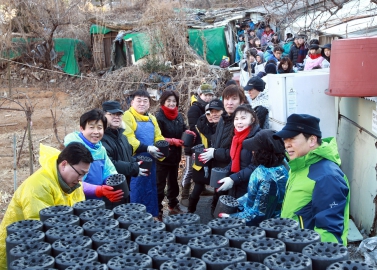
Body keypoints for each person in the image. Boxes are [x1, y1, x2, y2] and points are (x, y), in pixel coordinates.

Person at [0, 142, 93, 268]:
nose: (81, 179)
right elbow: (43, 229)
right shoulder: (38, 187)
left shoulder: (75, 184)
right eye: (80, 173)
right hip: (20, 253)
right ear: (64, 164)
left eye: (84, 174)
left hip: (48, 251)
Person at [274, 114, 350, 245]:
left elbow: (329, 232)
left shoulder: (327, 177)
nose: (287, 144)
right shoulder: (299, 165)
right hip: (294, 248)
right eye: (285, 139)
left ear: (312, 140)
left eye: (292, 138)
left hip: (310, 255)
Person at [219, 129, 288, 226]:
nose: (252, 152)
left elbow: (259, 214)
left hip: (264, 228)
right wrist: (238, 202)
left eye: (254, 149)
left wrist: (232, 218)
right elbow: (255, 194)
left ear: (263, 152)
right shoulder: (271, 165)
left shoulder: (268, 179)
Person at [198, 85, 248, 215]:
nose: (229, 102)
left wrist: (214, 153)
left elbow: (234, 154)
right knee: (217, 202)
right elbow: (216, 140)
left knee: (227, 207)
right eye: (226, 99)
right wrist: (210, 152)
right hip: (219, 169)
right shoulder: (224, 118)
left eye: (234, 99)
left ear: (242, 102)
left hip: (233, 172)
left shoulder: (240, 123)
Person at [122, 89, 165, 218]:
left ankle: (151, 216)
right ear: (131, 102)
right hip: (135, 161)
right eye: (138, 100)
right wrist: (147, 148)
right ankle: (135, 219)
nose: (142, 103)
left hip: (151, 161)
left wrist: (162, 148)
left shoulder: (152, 118)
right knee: (137, 187)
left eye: (145, 101)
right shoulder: (127, 116)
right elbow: (128, 138)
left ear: (149, 104)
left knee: (151, 187)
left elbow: (158, 136)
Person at [64, 109, 122, 202]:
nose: (96, 132)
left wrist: (113, 184)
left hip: (97, 200)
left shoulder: (100, 149)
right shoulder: (73, 149)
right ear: (82, 129)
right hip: (77, 200)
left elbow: (109, 170)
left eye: (99, 128)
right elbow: (73, 182)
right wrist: (98, 190)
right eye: (91, 127)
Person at [156, 90, 195, 218]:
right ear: (163, 102)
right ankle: (158, 210)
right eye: (169, 101)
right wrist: (172, 141)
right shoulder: (159, 117)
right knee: (160, 184)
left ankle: (173, 204)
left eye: (174, 101)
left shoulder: (178, 115)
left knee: (173, 182)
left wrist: (188, 132)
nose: (172, 103)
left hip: (175, 156)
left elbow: (183, 128)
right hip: (162, 156)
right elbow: (157, 137)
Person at [101, 101, 147, 195]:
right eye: (112, 114)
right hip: (110, 188)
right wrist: (133, 168)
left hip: (125, 185)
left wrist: (137, 162)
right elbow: (110, 163)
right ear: (104, 115)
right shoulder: (101, 138)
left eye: (119, 114)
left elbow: (126, 156)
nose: (116, 117)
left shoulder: (123, 136)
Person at [216, 105, 261, 199]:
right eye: (236, 119)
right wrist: (224, 172)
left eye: (243, 118)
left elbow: (255, 166)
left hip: (250, 186)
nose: (239, 122)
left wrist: (234, 179)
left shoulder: (257, 138)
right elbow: (234, 160)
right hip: (237, 183)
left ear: (252, 120)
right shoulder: (236, 137)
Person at [181, 84, 214, 207]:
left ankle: (202, 188)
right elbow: (194, 128)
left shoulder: (209, 108)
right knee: (190, 169)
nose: (208, 98)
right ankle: (184, 195)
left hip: (204, 144)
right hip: (194, 144)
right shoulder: (195, 108)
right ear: (200, 95)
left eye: (210, 95)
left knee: (201, 168)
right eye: (206, 95)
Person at [188, 99, 223, 213]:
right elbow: (193, 142)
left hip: (219, 160)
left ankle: (214, 211)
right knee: (197, 187)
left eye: (217, 111)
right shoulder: (200, 124)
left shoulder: (226, 126)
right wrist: (192, 152)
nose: (214, 114)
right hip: (202, 161)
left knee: (219, 188)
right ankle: (190, 211)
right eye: (211, 111)